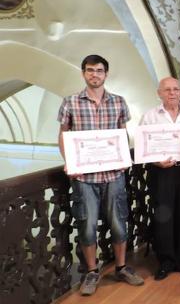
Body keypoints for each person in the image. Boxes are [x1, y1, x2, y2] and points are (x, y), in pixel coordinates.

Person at [58, 55, 144, 296]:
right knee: (86, 225)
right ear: (83, 73)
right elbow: (64, 135)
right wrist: (69, 163)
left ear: (106, 74)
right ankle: (92, 272)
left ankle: (121, 267)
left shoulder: (118, 102)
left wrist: (124, 159)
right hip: (84, 177)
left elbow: (122, 134)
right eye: (89, 70)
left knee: (119, 222)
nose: (94, 74)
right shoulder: (71, 102)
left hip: (113, 174)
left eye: (99, 70)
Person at [139, 77, 180, 281]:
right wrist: (156, 162)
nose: (172, 93)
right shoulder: (149, 117)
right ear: (159, 93)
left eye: (175, 89)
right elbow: (142, 148)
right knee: (163, 215)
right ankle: (165, 260)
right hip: (161, 172)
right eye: (167, 90)